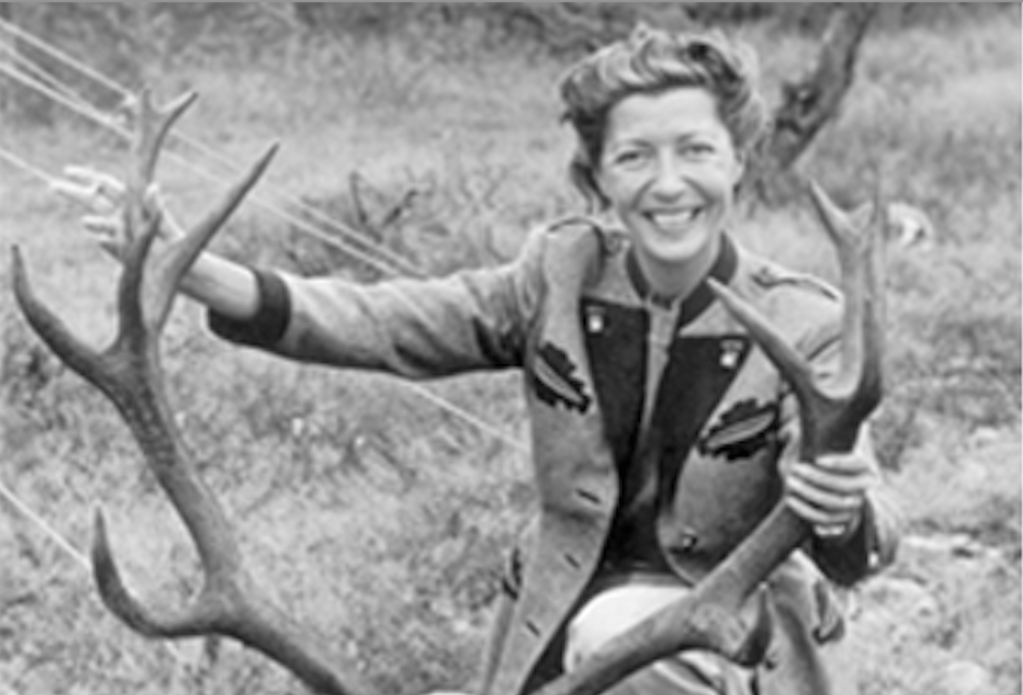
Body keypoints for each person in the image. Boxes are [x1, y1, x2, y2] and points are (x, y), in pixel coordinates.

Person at [61, 25, 898, 695]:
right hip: (555, 620)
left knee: (615, 637)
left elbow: (862, 534)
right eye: (634, 156)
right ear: (597, 175)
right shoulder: (559, 275)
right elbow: (392, 321)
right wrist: (207, 275)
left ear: (738, 160)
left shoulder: (807, 324)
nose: (667, 183)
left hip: (734, 643)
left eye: (695, 150)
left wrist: (839, 504)